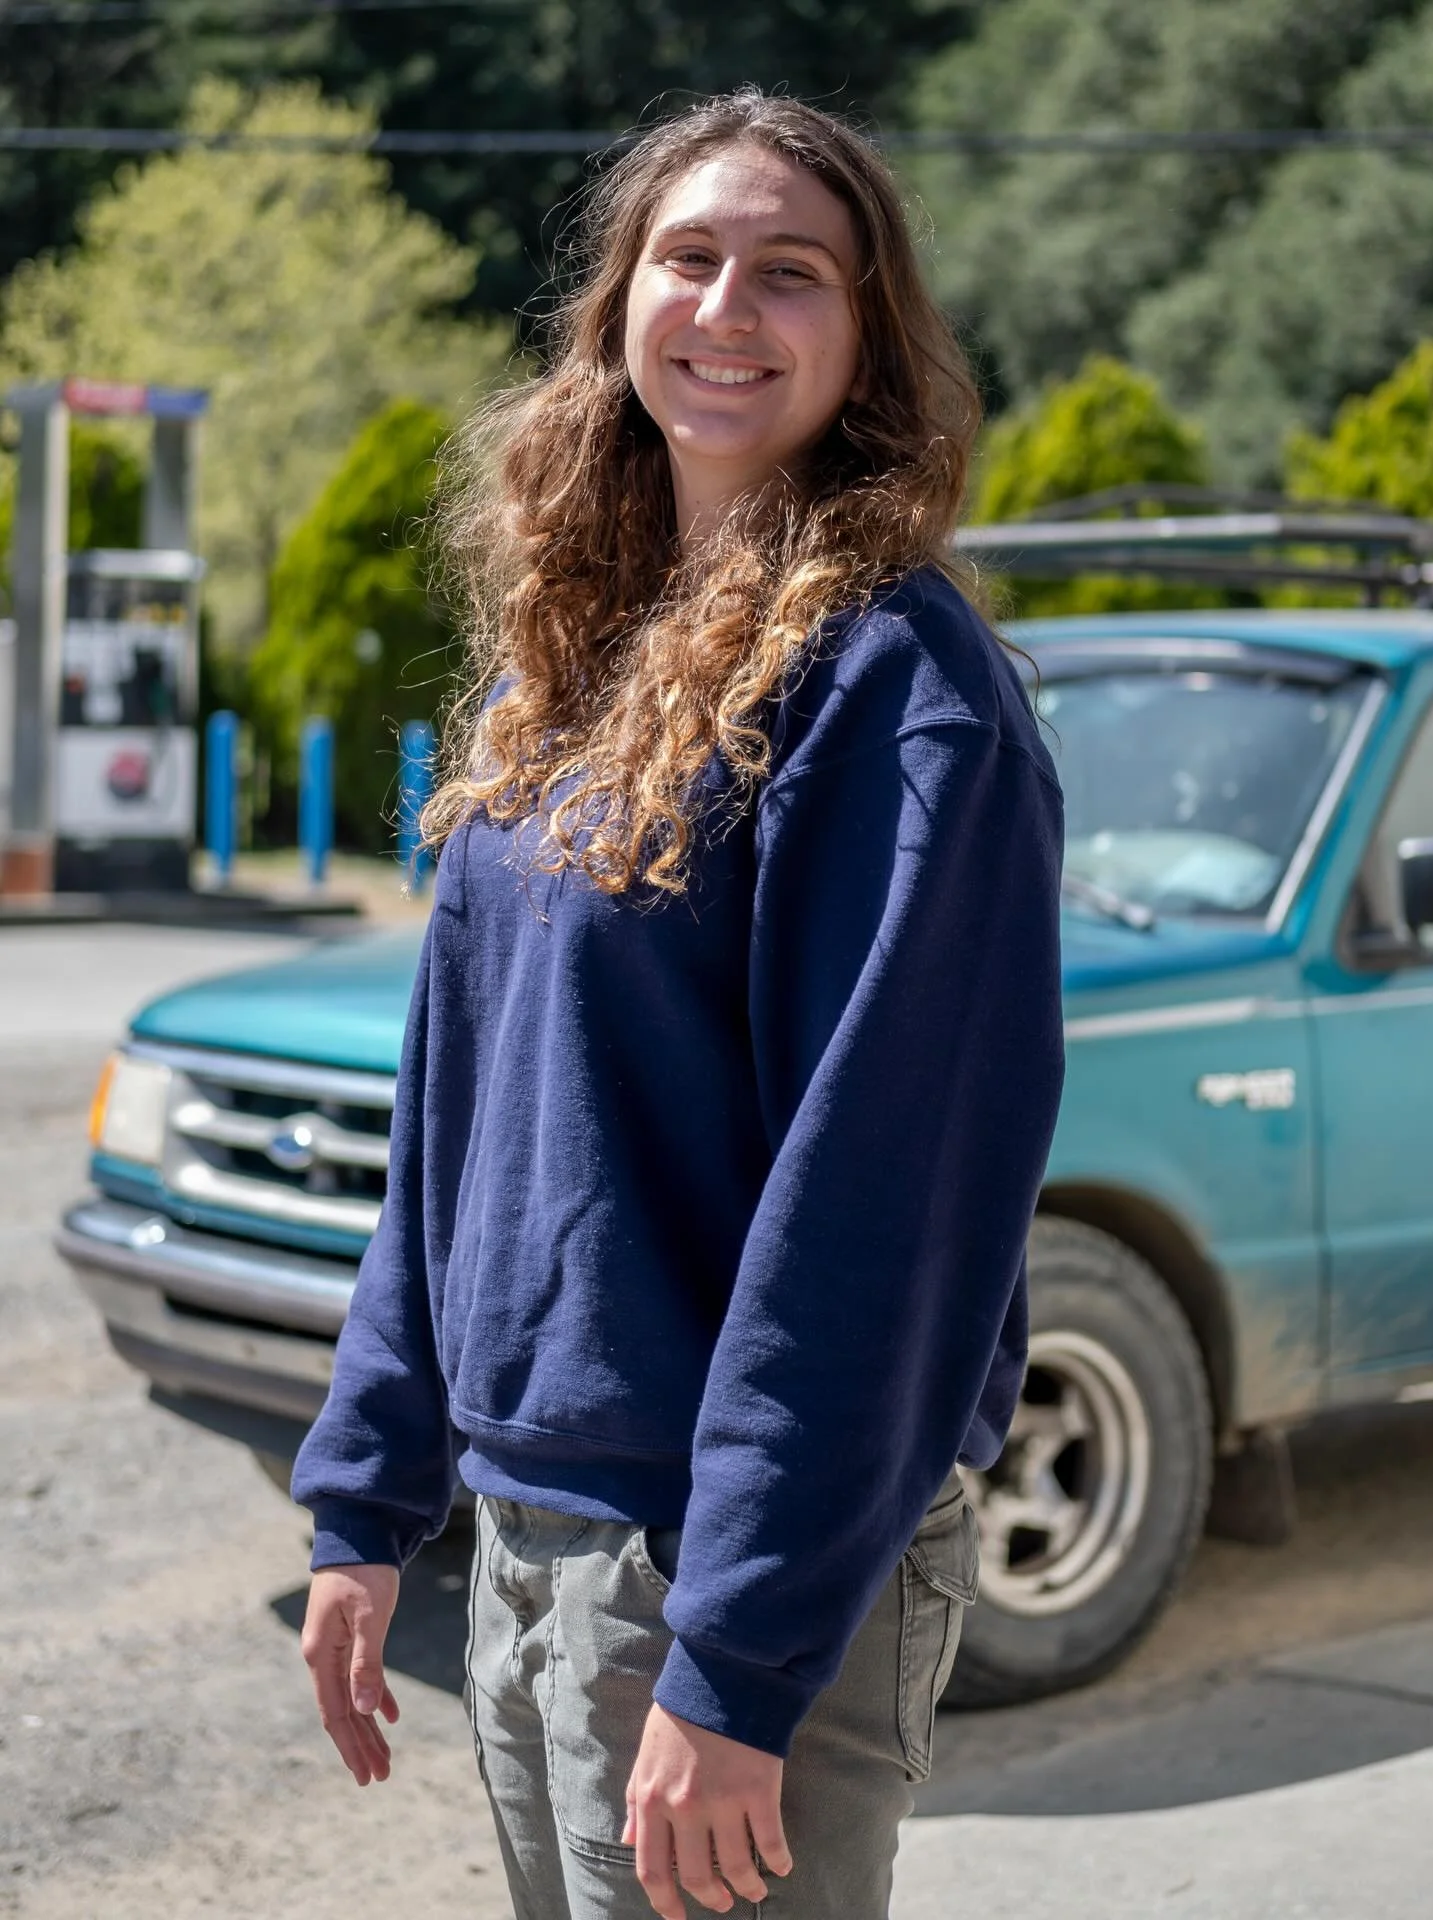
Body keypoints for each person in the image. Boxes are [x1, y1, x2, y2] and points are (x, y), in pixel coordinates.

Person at [293, 88, 1065, 1920]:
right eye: (687, 257)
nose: (726, 306)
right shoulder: (570, 662)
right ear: (618, 301)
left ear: (867, 340)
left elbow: (883, 1211)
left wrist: (736, 1652)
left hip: (734, 1570)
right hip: (539, 1526)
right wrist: (369, 1489)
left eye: (791, 273)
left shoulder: (898, 690)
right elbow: (458, 1118)